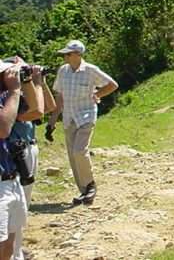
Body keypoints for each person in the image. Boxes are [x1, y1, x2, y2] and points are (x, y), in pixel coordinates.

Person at [46, 40, 118, 206]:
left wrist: (97, 94)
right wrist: (52, 121)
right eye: (65, 54)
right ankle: (84, 190)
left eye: (68, 54)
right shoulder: (63, 71)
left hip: (86, 116)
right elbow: (60, 97)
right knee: (73, 156)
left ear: (78, 55)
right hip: (69, 118)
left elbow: (112, 85)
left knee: (79, 151)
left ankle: (91, 184)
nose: (65, 56)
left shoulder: (90, 70)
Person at [4, 57, 49, 260]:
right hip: (17, 154)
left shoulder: (12, 97)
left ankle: (16, 251)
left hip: (22, 154)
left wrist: (36, 81)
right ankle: (16, 253)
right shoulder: (8, 100)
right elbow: (37, 110)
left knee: (19, 213)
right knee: (8, 223)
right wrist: (28, 84)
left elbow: (48, 106)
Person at [0, 61, 26, 260]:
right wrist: (15, 90)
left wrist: (33, 80)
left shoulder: (4, 98)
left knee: (10, 242)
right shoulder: (9, 95)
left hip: (11, 179)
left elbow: (37, 109)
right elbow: (3, 129)